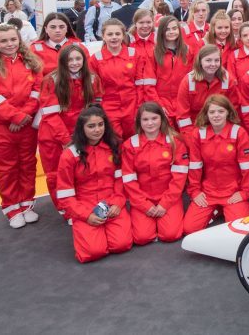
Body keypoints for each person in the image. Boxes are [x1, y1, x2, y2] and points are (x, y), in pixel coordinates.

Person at [0, 24, 43, 228]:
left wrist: (24, 115)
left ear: (19, 40)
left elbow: (38, 90)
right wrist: (15, 117)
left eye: (13, 39)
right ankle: (12, 207)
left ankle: (27, 203)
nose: (9, 44)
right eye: (3, 41)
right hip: (0, 128)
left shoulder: (31, 62)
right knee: (6, 169)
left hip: (26, 125)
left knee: (27, 164)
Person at [55, 106, 131, 262]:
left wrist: (117, 203)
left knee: (122, 245)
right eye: (91, 126)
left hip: (111, 203)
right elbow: (65, 195)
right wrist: (86, 215)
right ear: (81, 128)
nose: (97, 130)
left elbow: (119, 180)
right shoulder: (69, 155)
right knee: (92, 252)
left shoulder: (114, 147)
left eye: (100, 125)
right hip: (84, 206)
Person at [35, 44, 102, 219]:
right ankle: (66, 210)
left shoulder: (92, 79)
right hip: (54, 137)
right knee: (57, 175)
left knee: (81, 172)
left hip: (80, 133)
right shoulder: (52, 80)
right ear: (62, 61)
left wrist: (87, 133)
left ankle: (80, 205)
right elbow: (51, 115)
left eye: (78, 59)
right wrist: (67, 140)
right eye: (69, 59)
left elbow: (96, 106)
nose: (74, 63)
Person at [183, 96, 249, 233]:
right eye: (212, 112)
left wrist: (245, 192)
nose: (216, 115)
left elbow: (247, 168)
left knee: (238, 230)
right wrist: (195, 191)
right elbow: (195, 167)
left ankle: (222, 210)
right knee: (189, 229)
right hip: (208, 192)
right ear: (206, 114)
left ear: (228, 112)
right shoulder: (198, 133)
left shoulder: (239, 132)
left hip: (233, 192)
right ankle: (218, 210)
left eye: (220, 111)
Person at [121, 102, 188, 244]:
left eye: (154, 118)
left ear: (162, 119)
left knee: (171, 235)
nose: (150, 123)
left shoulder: (175, 142)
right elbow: (129, 181)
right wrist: (145, 206)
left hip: (169, 198)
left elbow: (179, 179)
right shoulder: (130, 145)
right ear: (139, 122)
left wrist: (165, 204)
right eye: (145, 119)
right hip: (142, 199)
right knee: (141, 238)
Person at [90, 19, 150, 138]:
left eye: (117, 34)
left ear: (123, 35)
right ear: (103, 36)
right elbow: (93, 88)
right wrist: (99, 107)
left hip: (132, 104)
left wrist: (139, 105)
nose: (114, 37)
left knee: (134, 138)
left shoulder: (134, 54)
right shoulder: (95, 59)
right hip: (108, 105)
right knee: (114, 140)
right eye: (110, 34)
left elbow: (140, 83)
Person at [175, 44, 237, 134]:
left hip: (220, 129)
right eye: (208, 60)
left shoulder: (228, 80)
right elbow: (183, 117)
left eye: (216, 60)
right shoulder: (188, 81)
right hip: (194, 129)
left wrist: (222, 134)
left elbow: (233, 110)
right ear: (200, 61)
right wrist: (193, 140)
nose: (213, 64)